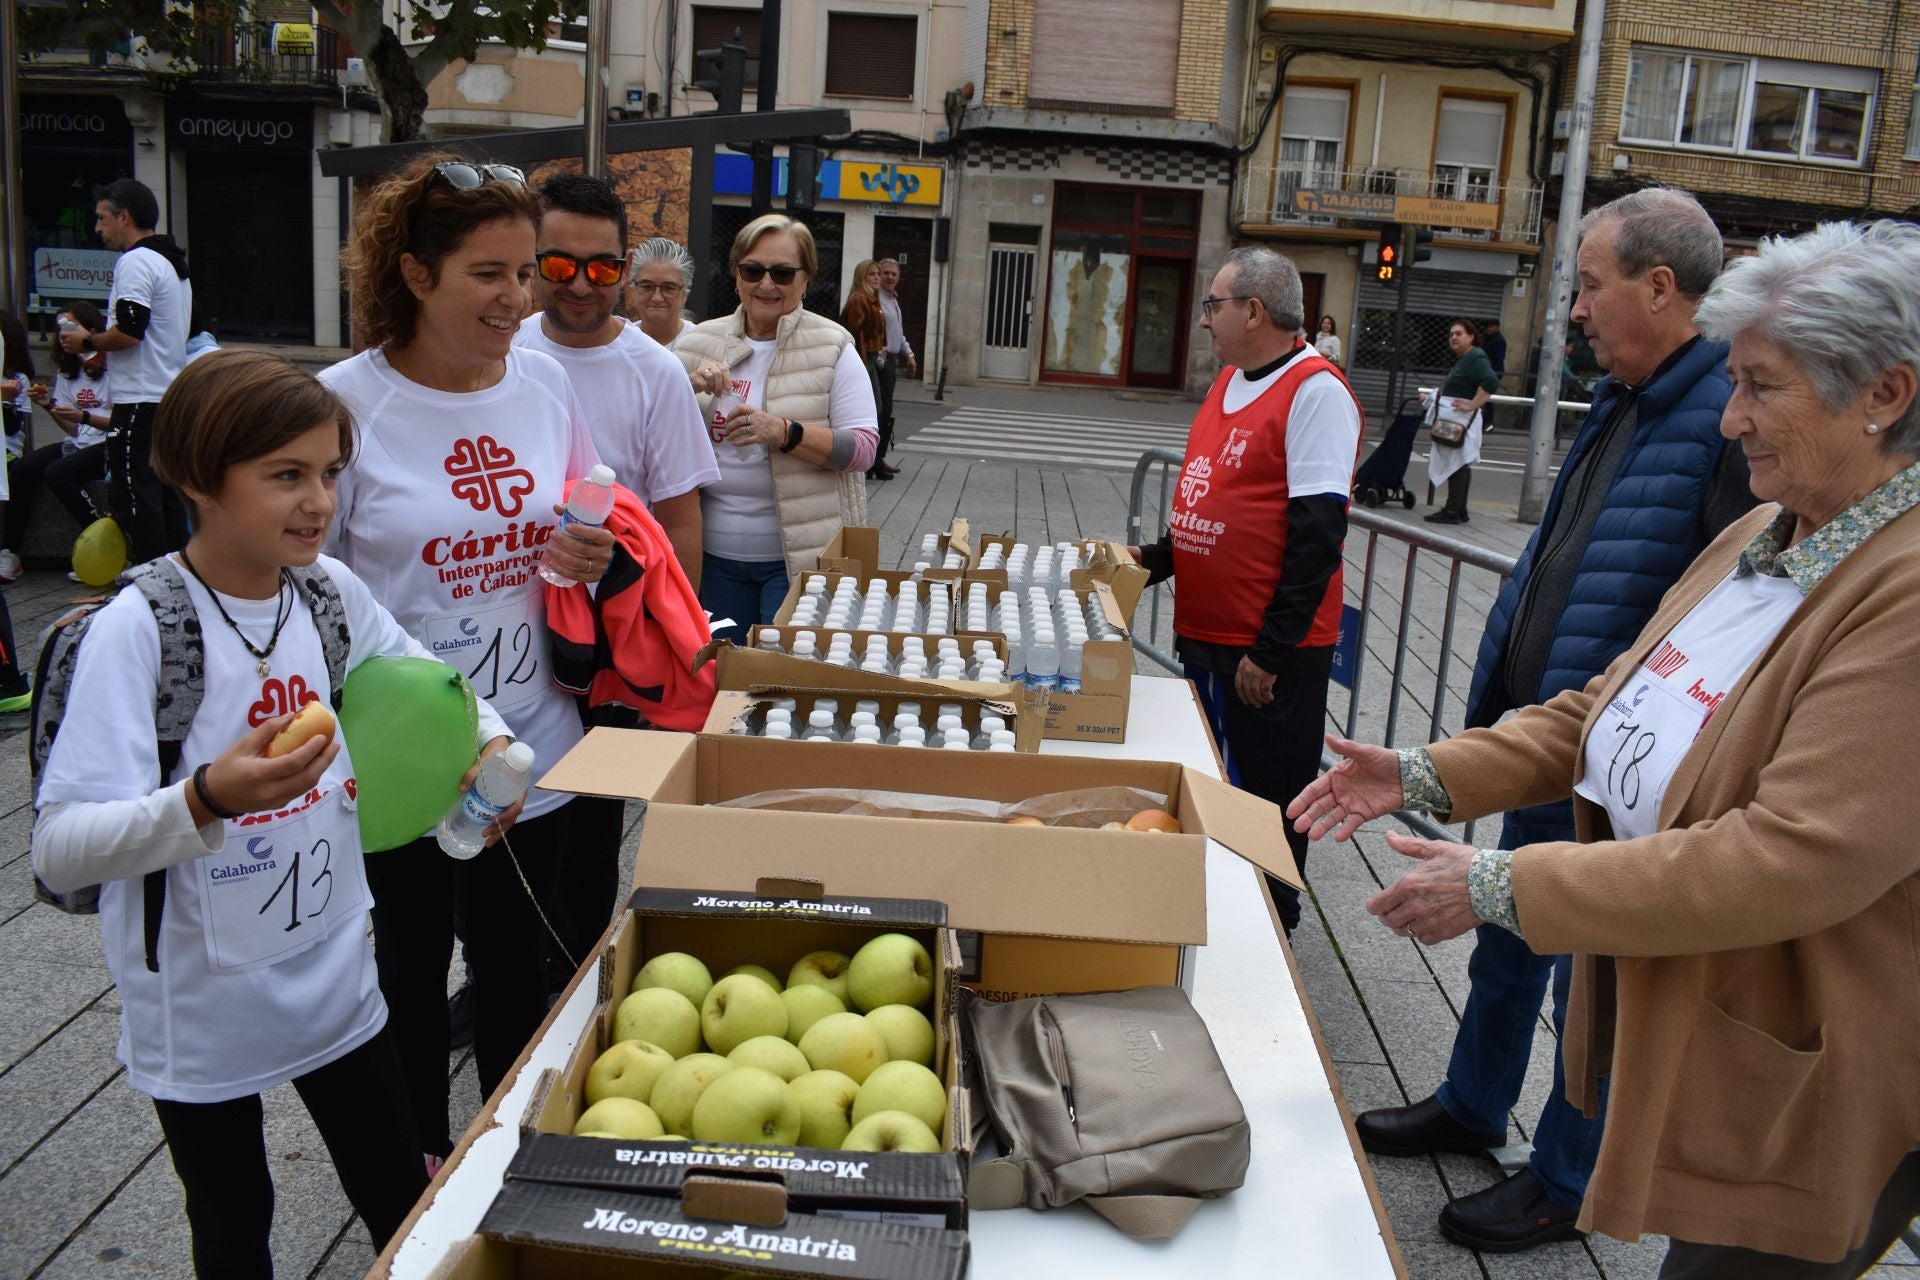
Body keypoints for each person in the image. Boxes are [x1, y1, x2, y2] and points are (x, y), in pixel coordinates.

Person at [1293, 218, 1920, 1278]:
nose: (1730, 421)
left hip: (1815, 1069)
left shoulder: (1901, 593)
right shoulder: (1767, 534)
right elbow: (1609, 705)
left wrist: (1506, 882)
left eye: (1763, 387)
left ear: (1885, 395)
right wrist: (1429, 771)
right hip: (1712, 1030)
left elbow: (1792, 853)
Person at [30, 351, 522, 1278]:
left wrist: (490, 746)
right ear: (194, 477)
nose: (318, 503)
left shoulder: (330, 595)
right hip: (202, 996)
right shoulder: (143, 630)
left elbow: (435, 678)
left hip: (336, 970)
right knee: (232, 1220)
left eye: (331, 472)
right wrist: (207, 796)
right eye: (285, 476)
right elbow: (61, 850)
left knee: (398, 1196)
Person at [1347, 187, 1756, 1253]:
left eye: (1588, 282)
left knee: (1591, 972)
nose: (1573, 308)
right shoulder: (1625, 395)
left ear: (1659, 287)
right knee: (1508, 935)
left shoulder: (1726, 421)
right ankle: (1476, 1099)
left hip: (1623, 766)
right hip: (1547, 736)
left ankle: (1569, 1175)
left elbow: (1723, 619)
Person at [321, 155, 618, 1162]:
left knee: (516, 969)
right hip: (402, 762)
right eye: (489, 274)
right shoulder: (344, 409)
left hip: (526, 747)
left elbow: (582, 510)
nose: (518, 299)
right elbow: (307, 590)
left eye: (524, 272)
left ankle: (507, 1168)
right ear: (414, 274)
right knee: (405, 977)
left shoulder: (541, 385)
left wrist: (587, 548)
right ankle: (415, 1178)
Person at [1128, 247, 1362, 936]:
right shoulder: (1228, 382)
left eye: (1213, 305)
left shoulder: (1314, 391)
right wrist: (1149, 559)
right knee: (1213, 789)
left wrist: (1273, 648)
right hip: (1206, 634)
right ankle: (1217, 913)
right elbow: (1215, 508)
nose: (1204, 320)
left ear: (1253, 311)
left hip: (1265, 653)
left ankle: (1270, 933)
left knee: (1268, 810)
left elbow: (1317, 536)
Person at [676, 213, 878, 643]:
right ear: (736, 276)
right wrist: (685, 388)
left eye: (783, 273)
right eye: (753, 270)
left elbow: (863, 450)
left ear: (806, 280)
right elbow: (651, 439)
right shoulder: (695, 345)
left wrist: (785, 432)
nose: (766, 285)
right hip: (710, 557)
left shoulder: (833, 345)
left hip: (798, 562)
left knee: (777, 685)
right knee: (715, 677)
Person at [515, 173, 715, 586]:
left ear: (623, 271)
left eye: (603, 268)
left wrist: (677, 636)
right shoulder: (505, 349)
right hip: (506, 606)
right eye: (559, 264)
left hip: (612, 615)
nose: (581, 284)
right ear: (532, 263)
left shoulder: (658, 371)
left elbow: (680, 523)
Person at [59, 178, 193, 565]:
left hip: (140, 398)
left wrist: (87, 342)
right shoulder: (170, 262)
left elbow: (131, 330)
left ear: (125, 217)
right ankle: (176, 577)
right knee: (164, 494)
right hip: (165, 395)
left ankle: (152, 581)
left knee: (135, 495)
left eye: (102, 219)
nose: (98, 228)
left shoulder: (136, 261)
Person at [10, 302, 114, 581]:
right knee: (21, 469)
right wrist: (48, 406)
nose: (63, 334)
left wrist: (84, 416)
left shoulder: (116, 364)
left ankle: (105, 543)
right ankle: (10, 551)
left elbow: (125, 421)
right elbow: (73, 430)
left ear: (91, 331)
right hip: (82, 442)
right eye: (60, 329)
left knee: (58, 473)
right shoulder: (69, 370)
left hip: (110, 443)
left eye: (70, 327)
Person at [1424, 318, 1499, 524]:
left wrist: (1472, 405)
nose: (1454, 338)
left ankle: (1452, 510)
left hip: (1461, 420)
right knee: (1461, 462)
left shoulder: (1475, 357)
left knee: (1457, 462)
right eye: (1451, 335)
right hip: (1458, 420)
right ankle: (1460, 509)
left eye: (1459, 334)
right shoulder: (1465, 358)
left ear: (1471, 336)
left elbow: (1491, 382)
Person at [840, 260, 888, 478]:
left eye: (878, 273)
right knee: (872, 407)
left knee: (877, 407)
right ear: (862, 277)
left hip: (870, 357)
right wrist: (859, 363)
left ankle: (871, 458)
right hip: (863, 358)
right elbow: (855, 333)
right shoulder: (860, 299)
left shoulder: (872, 299)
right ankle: (863, 455)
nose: (877, 277)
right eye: (872, 274)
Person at [873, 257, 915, 477]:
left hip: (891, 361)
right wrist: (880, 360)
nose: (889, 277)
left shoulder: (892, 300)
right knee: (880, 410)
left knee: (886, 410)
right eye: (885, 273)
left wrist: (909, 354)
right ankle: (874, 460)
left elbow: (897, 332)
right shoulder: (875, 300)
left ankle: (878, 458)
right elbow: (874, 334)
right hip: (881, 362)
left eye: (893, 274)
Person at [629, 236, 697, 349]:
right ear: (634, 290)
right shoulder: (621, 342)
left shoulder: (701, 345)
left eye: (669, 288)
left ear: (685, 293)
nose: (657, 298)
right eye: (647, 286)